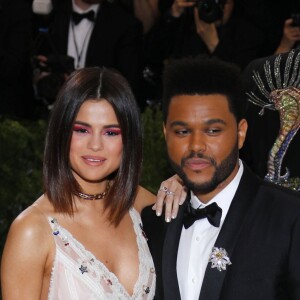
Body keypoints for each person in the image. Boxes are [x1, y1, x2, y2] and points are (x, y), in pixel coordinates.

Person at [0, 66, 186, 299]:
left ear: (128, 140)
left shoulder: (137, 202)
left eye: (111, 133)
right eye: (82, 130)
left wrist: (183, 182)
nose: (95, 145)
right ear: (61, 133)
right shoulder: (31, 230)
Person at [141, 56, 300, 300]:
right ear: (166, 134)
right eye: (182, 131)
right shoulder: (154, 222)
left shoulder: (289, 219)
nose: (196, 146)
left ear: (240, 133)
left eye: (213, 131)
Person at [33, 0, 143, 107]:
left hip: (100, 113)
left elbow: (128, 87)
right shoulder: (46, 14)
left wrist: (76, 87)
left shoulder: (126, 24)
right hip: (43, 114)